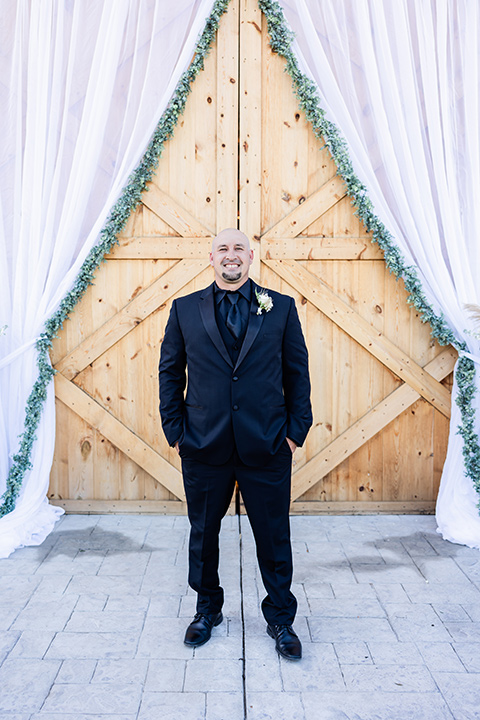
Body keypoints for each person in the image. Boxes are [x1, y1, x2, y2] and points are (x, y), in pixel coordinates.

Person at [158, 228, 312, 660]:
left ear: (250, 257)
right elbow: (170, 372)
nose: (231, 255)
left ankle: (280, 618)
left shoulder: (280, 308)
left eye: (239, 249)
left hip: (267, 445)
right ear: (211, 258)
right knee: (203, 536)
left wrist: (294, 434)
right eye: (223, 249)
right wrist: (177, 433)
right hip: (203, 446)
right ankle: (207, 609)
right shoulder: (184, 309)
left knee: (274, 536)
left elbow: (297, 374)